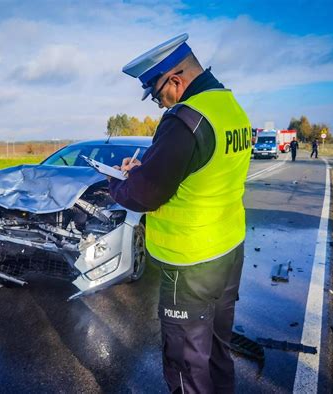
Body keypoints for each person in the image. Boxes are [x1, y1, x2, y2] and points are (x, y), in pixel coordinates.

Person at [109, 33, 252, 393]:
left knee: (187, 364)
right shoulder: (231, 108)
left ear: (175, 79)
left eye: (157, 94)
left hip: (189, 266)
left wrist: (118, 183)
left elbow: (144, 195)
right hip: (228, 252)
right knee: (219, 351)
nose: (159, 104)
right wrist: (146, 169)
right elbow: (200, 170)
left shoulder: (183, 120)